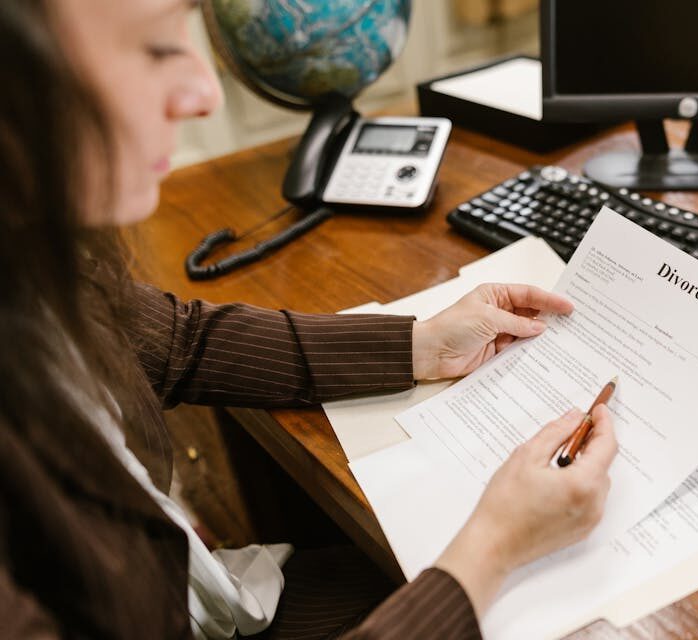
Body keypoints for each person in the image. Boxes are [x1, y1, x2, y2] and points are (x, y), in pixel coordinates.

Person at [0, 0, 618, 638]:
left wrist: (421, 346)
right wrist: (491, 549)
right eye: (155, 47)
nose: (207, 95)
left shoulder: (32, 269)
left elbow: (177, 338)